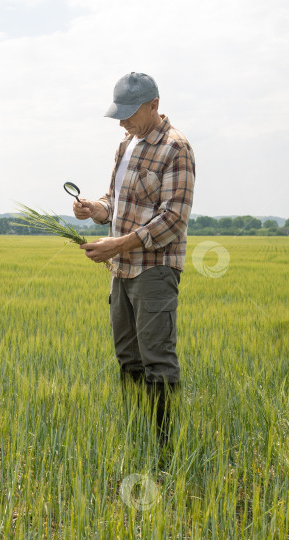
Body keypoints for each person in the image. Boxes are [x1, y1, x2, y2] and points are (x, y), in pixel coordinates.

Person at [73, 72, 195, 448]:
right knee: (127, 356)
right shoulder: (126, 145)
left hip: (155, 271)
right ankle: (136, 434)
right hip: (121, 269)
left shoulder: (176, 149)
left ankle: (163, 447)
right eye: (119, 114)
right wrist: (95, 209)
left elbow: (172, 221)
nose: (123, 122)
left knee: (157, 358)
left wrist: (117, 244)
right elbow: (115, 202)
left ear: (154, 105)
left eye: (129, 113)